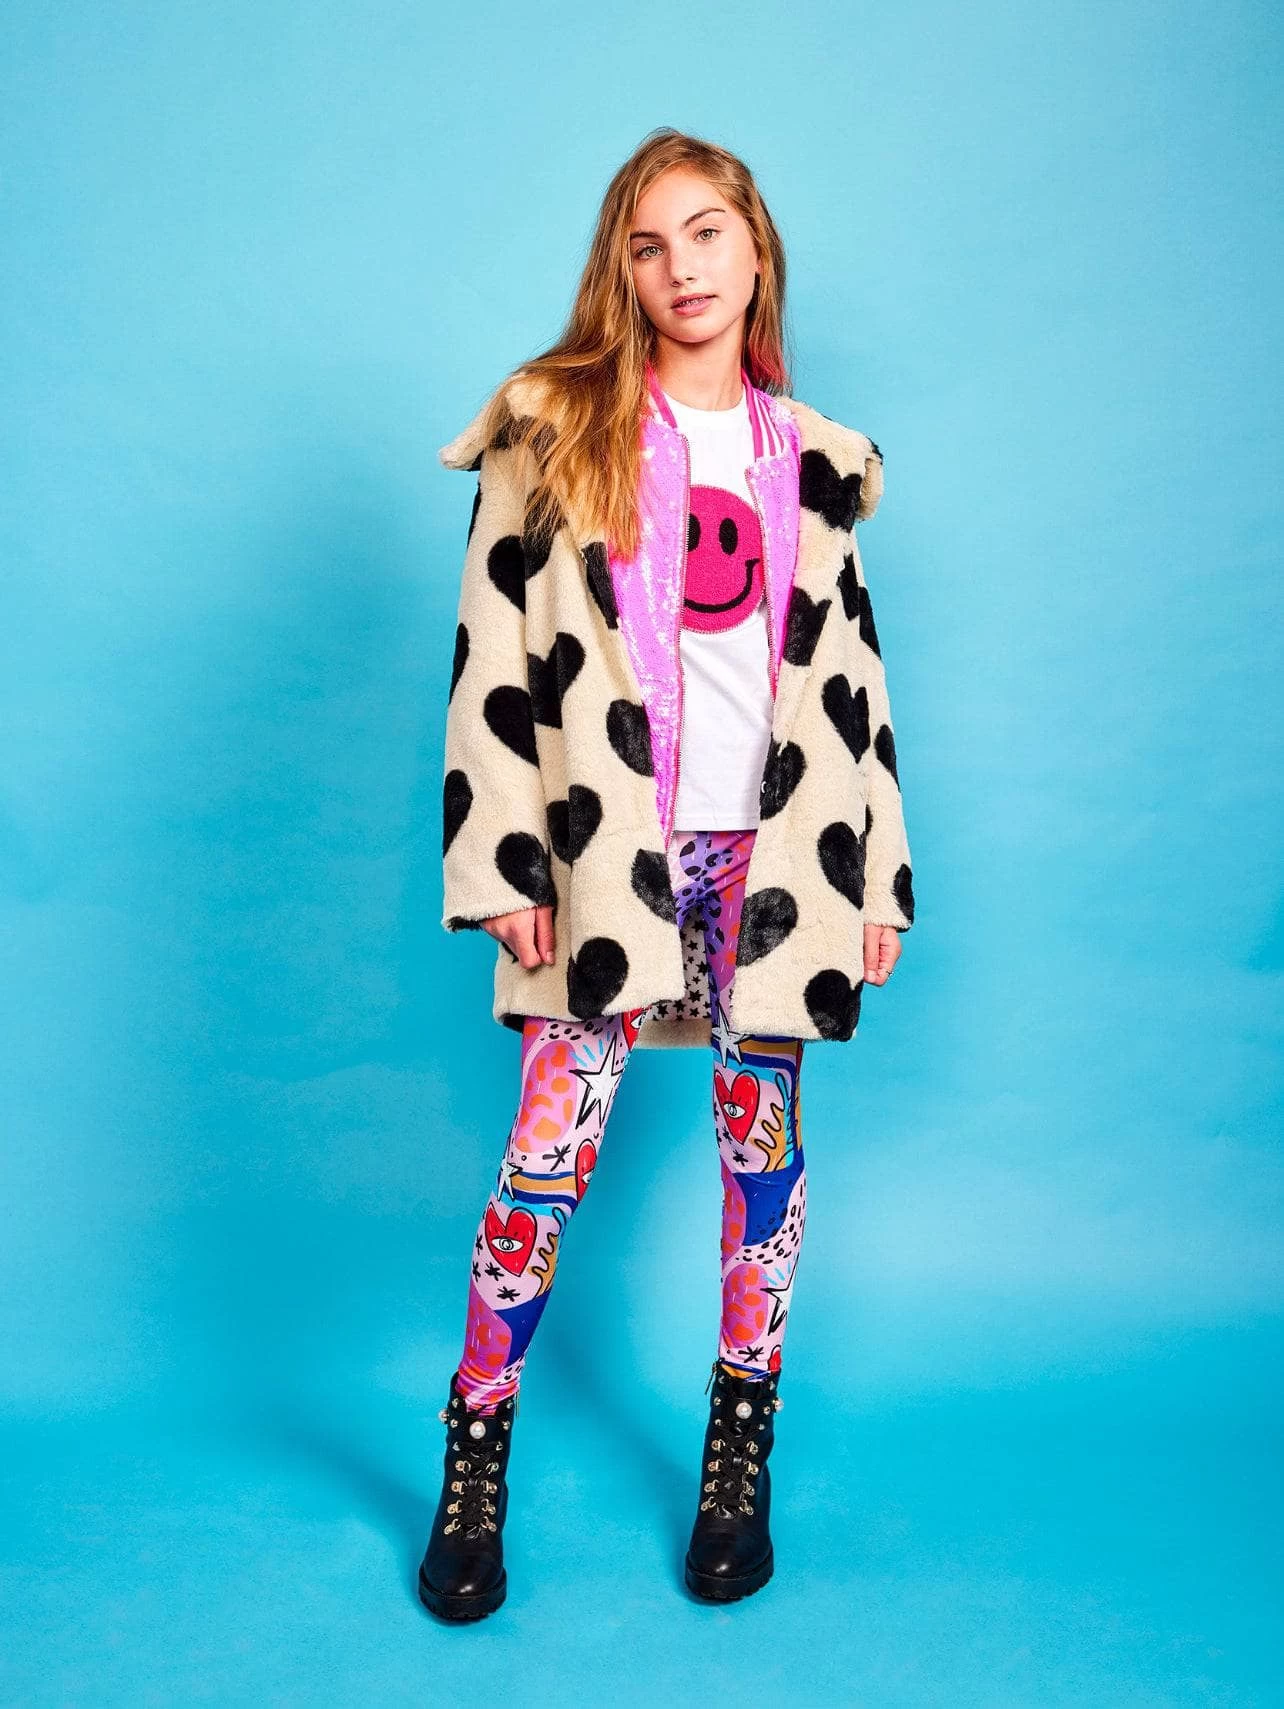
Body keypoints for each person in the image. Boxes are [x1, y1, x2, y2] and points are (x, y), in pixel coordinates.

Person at [418, 126, 915, 1621]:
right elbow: (492, 661)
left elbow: (854, 687)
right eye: (649, 245)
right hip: (606, 859)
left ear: (755, 251)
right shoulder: (553, 430)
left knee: (763, 1163)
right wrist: (506, 859)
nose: (681, 267)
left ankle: (737, 1455)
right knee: (545, 1160)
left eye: (706, 234)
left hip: (775, 862)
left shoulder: (816, 461)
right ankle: (476, 1455)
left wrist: (877, 875)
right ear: (620, 273)